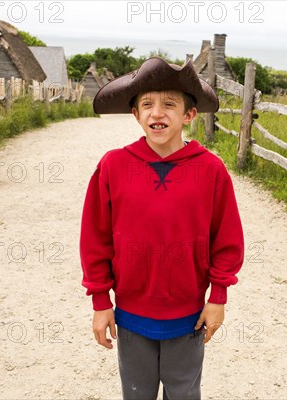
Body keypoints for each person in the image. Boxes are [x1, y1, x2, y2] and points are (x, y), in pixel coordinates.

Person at [80, 57, 244, 399]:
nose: (158, 113)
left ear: (189, 115)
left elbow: (226, 239)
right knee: (137, 392)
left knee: (183, 392)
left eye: (170, 104)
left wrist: (219, 296)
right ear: (136, 114)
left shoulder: (211, 170)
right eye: (147, 105)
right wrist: (100, 300)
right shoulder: (114, 166)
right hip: (131, 314)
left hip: (189, 316)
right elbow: (95, 239)